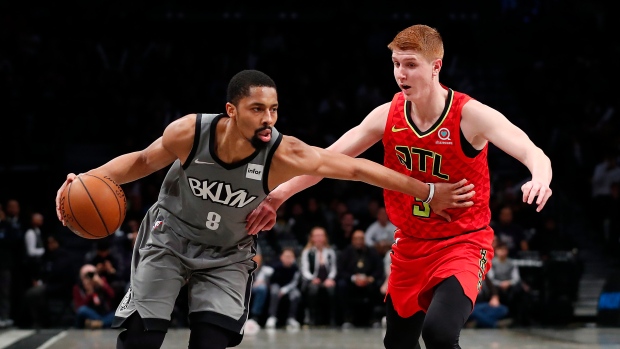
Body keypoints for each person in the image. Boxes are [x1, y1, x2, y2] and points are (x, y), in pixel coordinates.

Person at [55, 69, 475, 349]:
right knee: (140, 341)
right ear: (232, 111)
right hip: (169, 238)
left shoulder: (282, 152)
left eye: (274, 109)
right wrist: (87, 179)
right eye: (258, 109)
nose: (268, 118)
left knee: (209, 343)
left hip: (227, 255)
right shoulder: (190, 132)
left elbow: (357, 168)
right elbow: (141, 162)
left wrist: (426, 192)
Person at [246, 25, 553, 349]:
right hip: (410, 245)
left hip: (461, 242)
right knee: (398, 343)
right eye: (396, 64)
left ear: (436, 66)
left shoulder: (468, 114)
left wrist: (540, 176)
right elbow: (324, 162)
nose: (400, 73)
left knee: (439, 333)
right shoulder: (386, 115)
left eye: (410, 64)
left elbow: (531, 150)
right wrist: (277, 196)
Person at [299, 226, 337, 326]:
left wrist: (330, 279)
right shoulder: (307, 252)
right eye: (316, 236)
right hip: (312, 280)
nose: (319, 238)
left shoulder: (330, 252)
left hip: (326, 280)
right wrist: (312, 278)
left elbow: (333, 269)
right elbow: (305, 270)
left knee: (332, 290)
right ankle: (312, 318)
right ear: (312, 238)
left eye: (321, 235)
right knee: (313, 289)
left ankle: (331, 319)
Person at [264, 247, 301, 330]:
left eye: (290, 256)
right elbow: (269, 279)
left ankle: (291, 318)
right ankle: (272, 317)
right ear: (281, 257)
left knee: (296, 294)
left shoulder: (295, 268)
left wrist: (284, 290)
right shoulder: (275, 266)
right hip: (276, 285)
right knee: (274, 292)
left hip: (289, 287)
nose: (288, 258)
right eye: (286, 256)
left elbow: (294, 282)